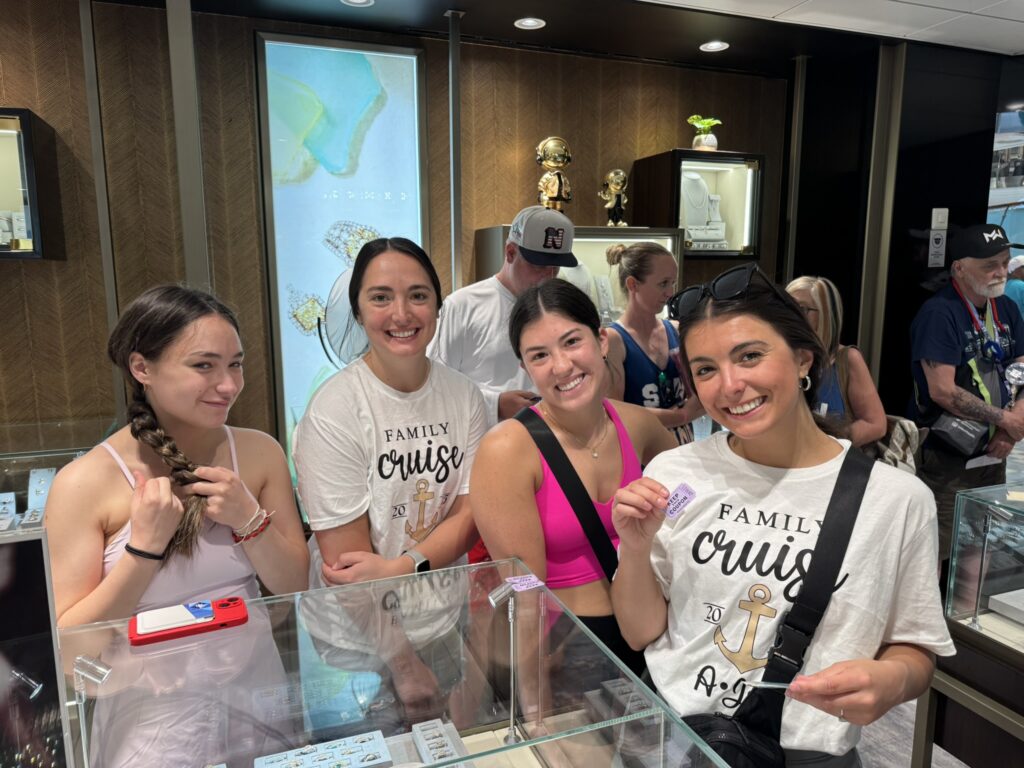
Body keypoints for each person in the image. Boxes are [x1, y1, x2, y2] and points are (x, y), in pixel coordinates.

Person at [611, 263, 953, 766]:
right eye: (705, 369)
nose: (729, 385)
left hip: (807, 753)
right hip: (676, 738)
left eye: (749, 356)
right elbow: (641, 633)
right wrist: (636, 549)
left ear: (802, 358)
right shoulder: (676, 472)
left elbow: (914, 646)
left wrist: (894, 679)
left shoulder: (897, 500)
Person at [44, 284, 309, 766]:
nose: (228, 384)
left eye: (236, 364)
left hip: (259, 701)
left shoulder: (259, 452)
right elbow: (71, 652)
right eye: (203, 365)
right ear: (142, 368)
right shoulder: (82, 484)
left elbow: (295, 586)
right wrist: (142, 551)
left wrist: (249, 520)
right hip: (153, 724)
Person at [293, 237, 487, 728]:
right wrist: (402, 664)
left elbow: (468, 513)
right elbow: (347, 566)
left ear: (438, 306)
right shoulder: (335, 411)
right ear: (358, 311)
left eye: (418, 295)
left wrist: (403, 566)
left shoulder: (464, 396)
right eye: (380, 297)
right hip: (357, 642)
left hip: (440, 615)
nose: (401, 313)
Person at [471, 279, 677, 678]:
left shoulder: (638, 425)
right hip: (564, 649)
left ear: (601, 341)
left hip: (651, 633)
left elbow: (688, 497)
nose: (562, 366)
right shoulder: (508, 449)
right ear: (524, 367)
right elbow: (525, 593)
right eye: (539, 355)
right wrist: (534, 705)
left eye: (571, 342)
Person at [910, 223, 1024, 564]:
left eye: (1004, 262)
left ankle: (964, 613)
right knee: (937, 549)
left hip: (995, 450)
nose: (1001, 272)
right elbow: (943, 390)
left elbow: (1022, 367)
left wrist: (1008, 430)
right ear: (959, 268)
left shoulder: (1007, 309)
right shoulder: (939, 313)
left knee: (981, 540)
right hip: (948, 457)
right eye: (990, 265)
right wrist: (1005, 419)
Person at [428, 205, 577, 429]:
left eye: (556, 267)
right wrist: (494, 404)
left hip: (549, 439)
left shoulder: (560, 307)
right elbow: (434, 379)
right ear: (510, 252)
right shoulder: (463, 305)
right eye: (539, 265)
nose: (548, 275)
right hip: (481, 440)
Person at [604, 241, 704, 443]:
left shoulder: (675, 330)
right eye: (663, 283)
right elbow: (616, 413)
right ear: (633, 284)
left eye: (673, 283)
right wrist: (680, 416)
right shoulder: (614, 340)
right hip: (640, 455)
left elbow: (700, 392)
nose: (670, 292)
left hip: (682, 449)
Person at [786, 275, 886, 447]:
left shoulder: (847, 360)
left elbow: (875, 424)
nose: (790, 315)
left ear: (824, 314)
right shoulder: (777, 359)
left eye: (801, 309)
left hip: (831, 465)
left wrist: (831, 445)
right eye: (786, 307)